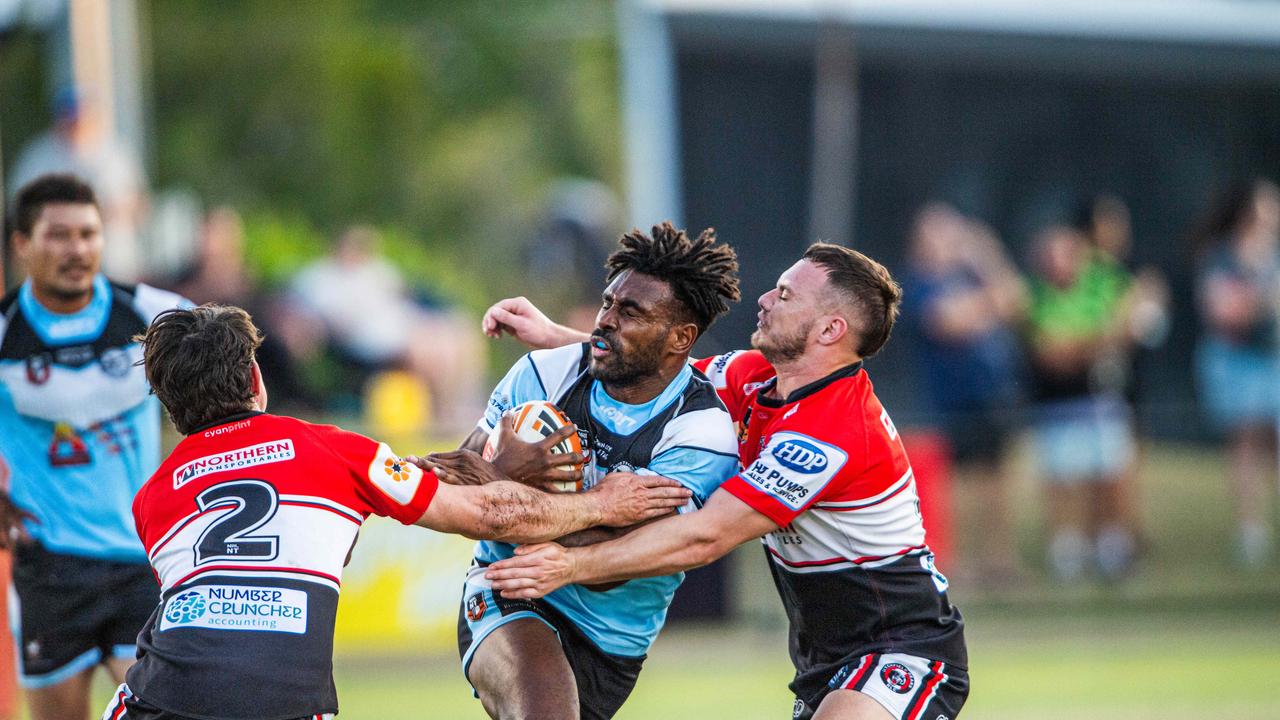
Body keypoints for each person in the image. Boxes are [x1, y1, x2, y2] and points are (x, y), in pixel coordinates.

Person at [101, 304, 691, 720]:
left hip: (159, 697)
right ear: (256, 378)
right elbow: (489, 516)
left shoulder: (151, 497)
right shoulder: (330, 450)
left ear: (170, 406)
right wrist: (601, 501)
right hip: (283, 702)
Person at [481, 243, 969, 720]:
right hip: (822, 659)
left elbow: (706, 535)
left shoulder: (833, 430)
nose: (764, 300)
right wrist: (551, 334)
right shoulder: (757, 375)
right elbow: (661, 367)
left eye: (784, 295)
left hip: (901, 647)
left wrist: (570, 564)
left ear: (829, 329)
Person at [449, 221, 742, 720]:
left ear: (680, 337)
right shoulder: (544, 372)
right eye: (608, 303)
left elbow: (613, 559)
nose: (605, 320)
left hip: (614, 642)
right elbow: (458, 474)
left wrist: (501, 489)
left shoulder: (701, 433)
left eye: (630, 312)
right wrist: (593, 505)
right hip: (511, 592)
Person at [0, 174, 189, 720]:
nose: (77, 249)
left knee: (171, 712)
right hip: (49, 569)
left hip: (143, 560)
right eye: (58, 235)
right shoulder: (5, 332)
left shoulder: (156, 316)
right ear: (22, 245)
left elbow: (229, 385)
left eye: (88, 233)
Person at [900, 203, 1026, 584]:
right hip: (952, 399)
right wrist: (991, 305)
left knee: (997, 478)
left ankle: (999, 560)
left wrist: (988, 259)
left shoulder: (972, 276)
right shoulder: (918, 282)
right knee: (959, 480)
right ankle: (960, 562)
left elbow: (1017, 302)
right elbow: (947, 322)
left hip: (994, 392)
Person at [1024, 224, 1137, 581]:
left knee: (1110, 476)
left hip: (1102, 402)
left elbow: (1131, 324)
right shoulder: (1038, 297)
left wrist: (1093, 340)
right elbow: (1052, 354)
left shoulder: (1100, 286)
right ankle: (1068, 553)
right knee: (1063, 480)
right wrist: (1100, 339)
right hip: (1058, 406)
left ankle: (1111, 550)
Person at [1194, 177, 1280, 568]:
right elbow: (1224, 312)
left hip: (1273, 356)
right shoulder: (1221, 256)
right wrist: (1264, 300)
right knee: (1247, 441)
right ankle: (1250, 530)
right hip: (1237, 361)